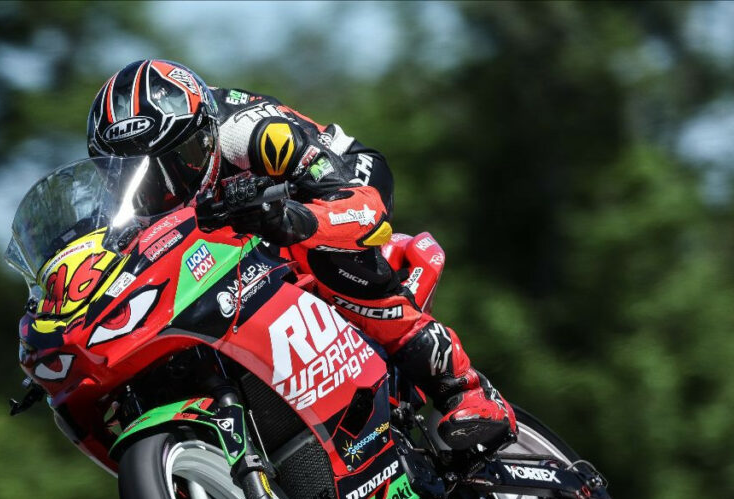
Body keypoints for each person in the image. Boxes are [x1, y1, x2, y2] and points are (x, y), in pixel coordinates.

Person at [86, 59, 516, 456]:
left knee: (314, 254)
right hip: (243, 221)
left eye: (180, 160)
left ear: (205, 132)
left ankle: (464, 390)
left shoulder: (248, 134)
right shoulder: (126, 200)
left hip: (338, 178)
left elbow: (364, 206)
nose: (166, 185)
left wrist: (296, 220)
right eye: (134, 172)